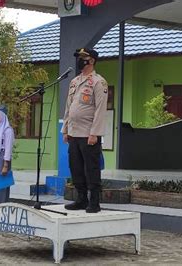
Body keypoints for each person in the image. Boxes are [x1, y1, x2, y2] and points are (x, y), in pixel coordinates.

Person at [61, 48, 108, 213]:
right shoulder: (74, 81)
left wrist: (95, 133)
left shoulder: (98, 82)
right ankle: (81, 199)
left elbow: (101, 109)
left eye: (83, 57)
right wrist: (65, 129)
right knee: (76, 167)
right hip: (74, 132)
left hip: (89, 133)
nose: (80, 60)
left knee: (91, 168)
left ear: (92, 60)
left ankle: (94, 202)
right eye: (79, 57)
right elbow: (69, 107)